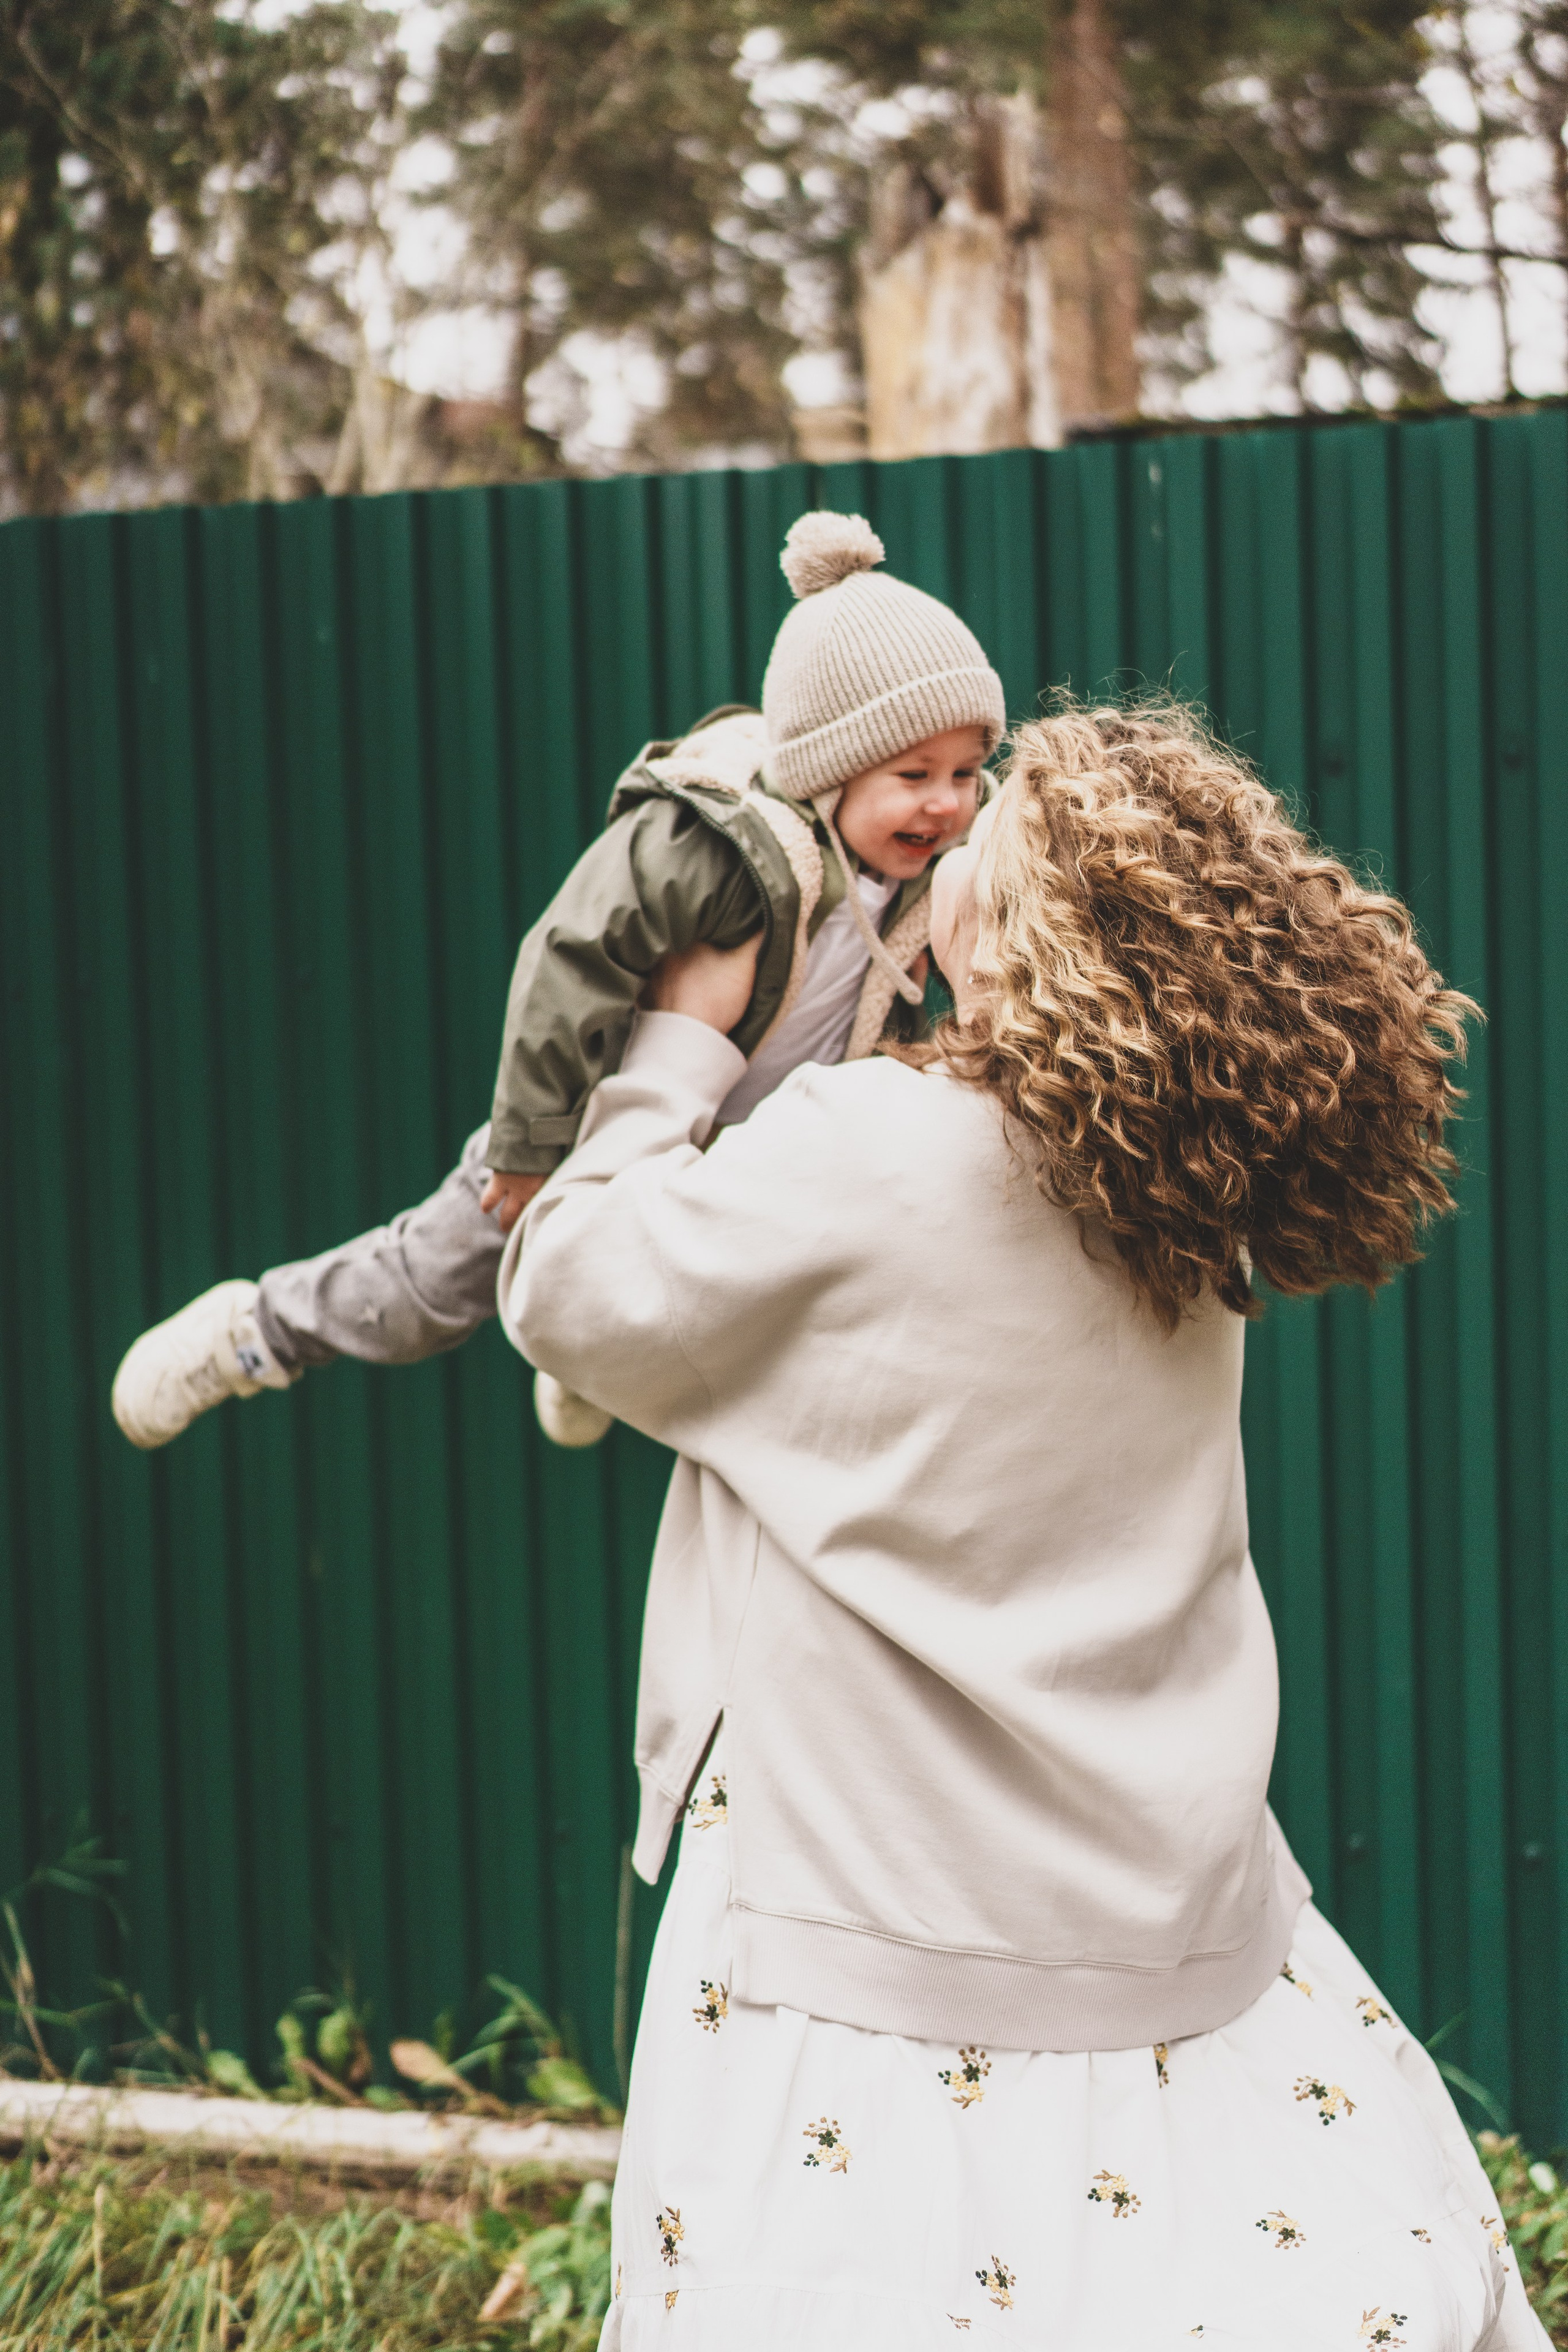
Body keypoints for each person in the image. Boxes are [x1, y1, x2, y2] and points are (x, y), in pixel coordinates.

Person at [500, 700, 1540, 2350]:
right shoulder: (1182, 1204)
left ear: (1031, 917)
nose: (952, 835)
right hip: (1168, 1934)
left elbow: (565, 1287)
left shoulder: (872, 1152)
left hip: (862, 1937)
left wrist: (684, 1045)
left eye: (988, 826)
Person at [110, 511, 1003, 1453]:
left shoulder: (930, 874)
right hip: (585, 1124)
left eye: (967, 771)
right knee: (432, 1288)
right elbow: (572, 950)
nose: (946, 802)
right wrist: (529, 1141)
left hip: (739, 1154)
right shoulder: (723, 847)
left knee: (746, 1304)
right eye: (914, 774)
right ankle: (261, 1332)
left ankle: (590, 1357)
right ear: (832, 768)